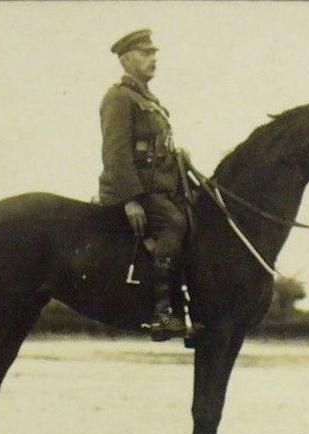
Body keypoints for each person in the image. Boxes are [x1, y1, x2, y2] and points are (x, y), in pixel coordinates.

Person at [98, 29, 190, 341]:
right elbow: (116, 152)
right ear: (126, 60)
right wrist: (130, 199)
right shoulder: (119, 97)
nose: (153, 59)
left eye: (154, 54)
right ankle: (161, 311)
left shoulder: (150, 100)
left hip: (162, 188)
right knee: (173, 223)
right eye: (145, 53)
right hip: (138, 191)